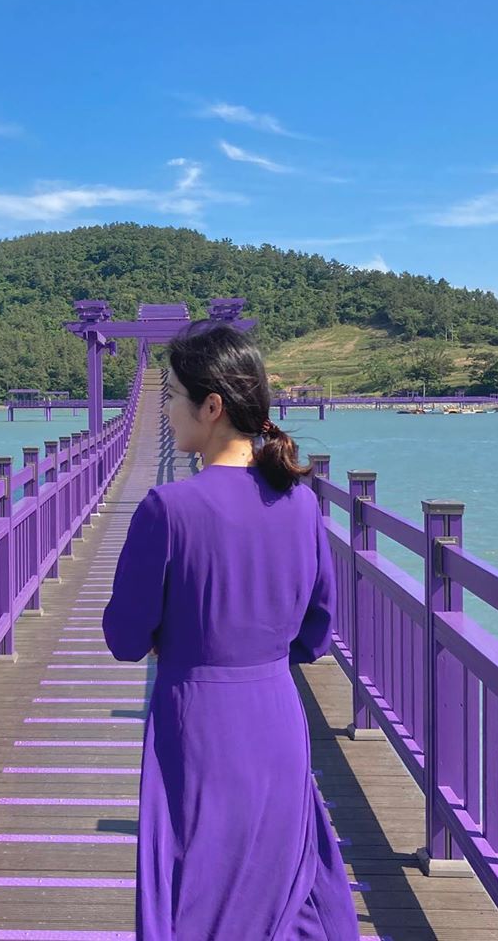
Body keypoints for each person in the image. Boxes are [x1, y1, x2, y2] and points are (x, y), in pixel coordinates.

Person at [102, 322, 358, 940]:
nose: (166, 409)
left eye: (171, 394)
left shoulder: (168, 509)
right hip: (276, 716)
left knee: (197, 889)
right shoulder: (301, 503)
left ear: (211, 406)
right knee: (281, 887)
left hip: (198, 724)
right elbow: (317, 633)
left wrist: (178, 637)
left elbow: (125, 638)